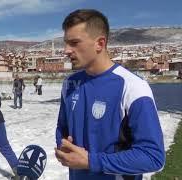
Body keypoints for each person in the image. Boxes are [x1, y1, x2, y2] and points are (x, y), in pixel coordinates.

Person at [55, 9, 165, 180]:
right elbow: (62, 128)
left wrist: (92, 161)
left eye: (74, 43)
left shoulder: (133, 87)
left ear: (100, 43)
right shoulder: (69, 84)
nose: (66, 50)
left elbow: (153, 157)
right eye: (66, 43)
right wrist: (63, 147)